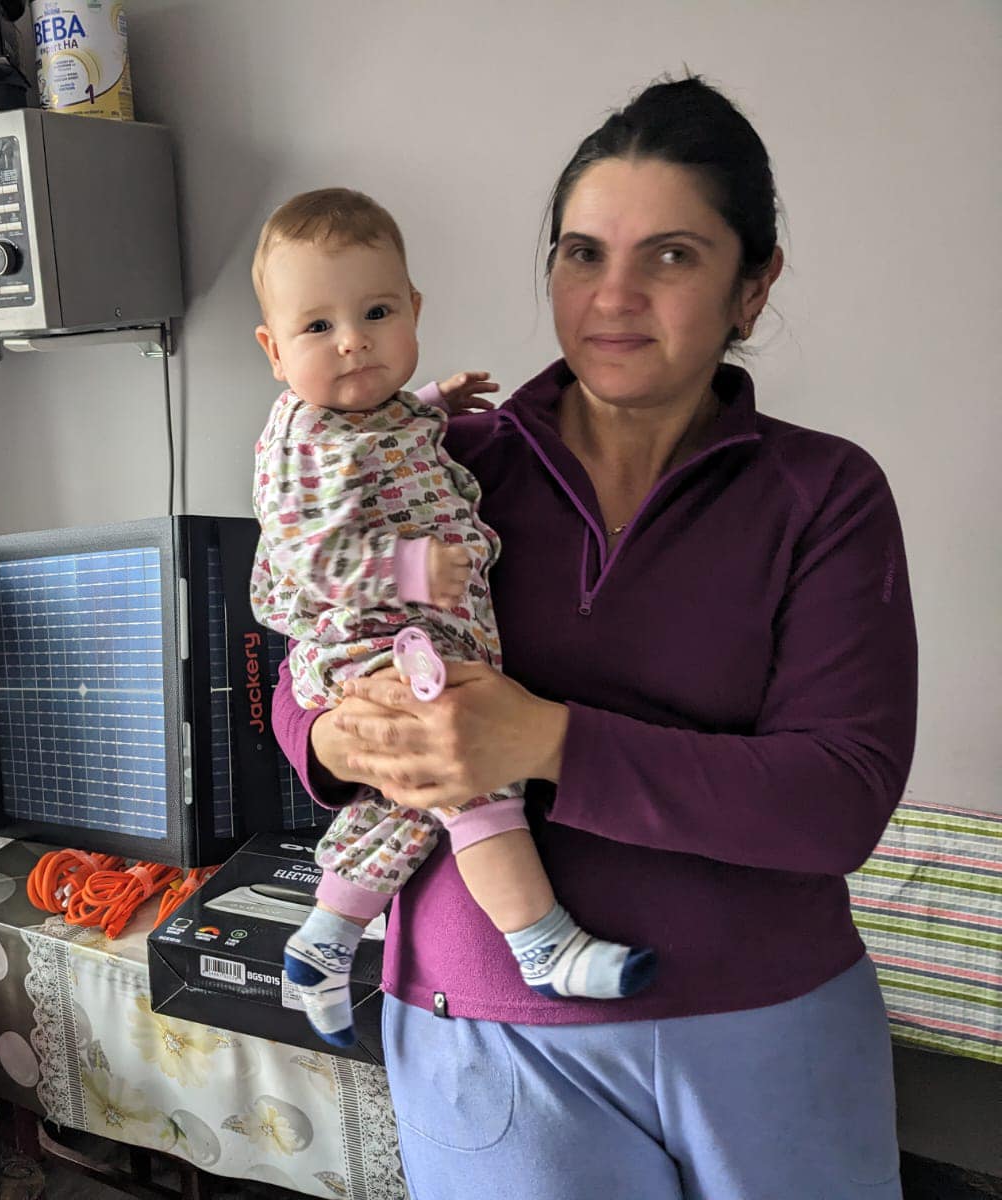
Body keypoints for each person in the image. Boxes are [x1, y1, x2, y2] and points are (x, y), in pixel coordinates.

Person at [272, 78, 915, 1199]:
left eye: (670, 255)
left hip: (767, 1022)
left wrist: (544, 741)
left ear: (750, 288)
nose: (613, 297)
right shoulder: (449, 462)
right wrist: (333, 740)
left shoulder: (823, 494)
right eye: (580, 254)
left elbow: (838, 797)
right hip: (490, 1036)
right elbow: (308, 657)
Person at [248, 188, 657, 1048]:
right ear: (274, 350)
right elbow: (304, 560)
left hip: (419, 634)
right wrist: (411, 566)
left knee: (407, 797)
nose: (353, 339)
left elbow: (384, 444)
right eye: (317, 328)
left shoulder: (369, 410)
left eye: (377, 312)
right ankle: (540, 941)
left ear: (413, 311)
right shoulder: (302, 442)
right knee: (470, 764)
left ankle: (323, 943)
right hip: (367, 641)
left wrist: (434, 398)